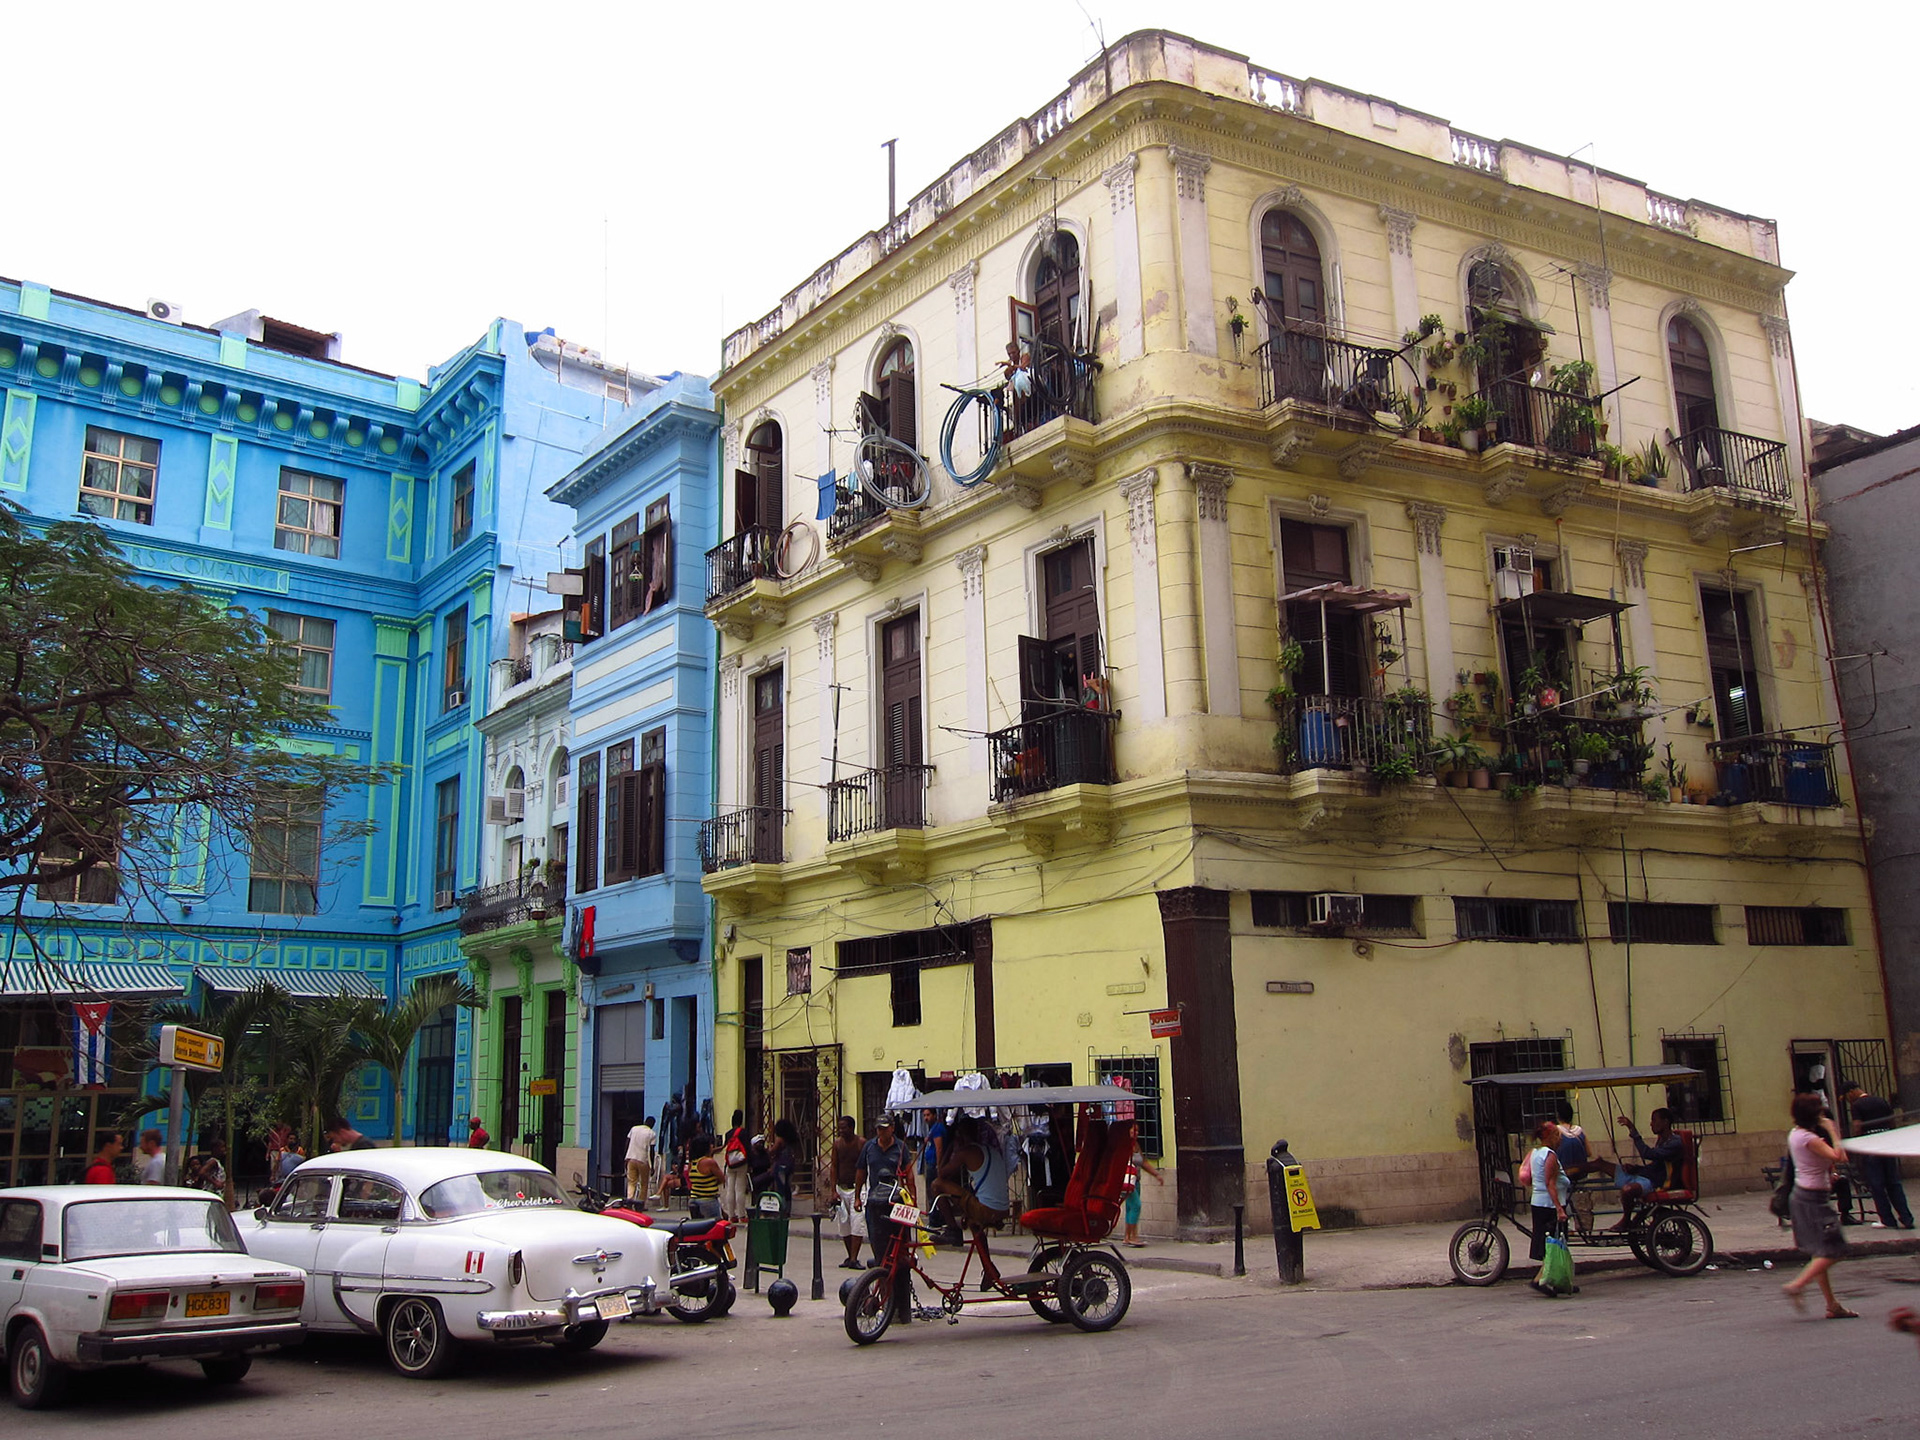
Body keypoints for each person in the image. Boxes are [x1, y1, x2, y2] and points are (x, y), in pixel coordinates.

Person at [1783, 1091, 1858, 1319]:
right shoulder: (1810, 1139)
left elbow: (1818, 1162)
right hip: (1813, 1200)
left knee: (1820, 1252)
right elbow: (1840, 1156)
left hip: (1804, 1196)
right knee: (1836, 1249)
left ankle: (1831, 1304)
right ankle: (1797, 1285)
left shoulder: (1796, 1134)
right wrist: (1833, 1130)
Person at [1842, 1080, 1914, 1230]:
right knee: (1894, 1183)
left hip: (1872, 1149)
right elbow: (1892, 1122)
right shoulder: (1881, 1101)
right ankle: (1906, 1218)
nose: (1848, 1101)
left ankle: (1887, 1219)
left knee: (1877, 1184)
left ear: (1851, 1092)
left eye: (1846, 1097)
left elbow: (1857, 1127)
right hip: (1886, 1145)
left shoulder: (1857, 1106)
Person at [855, 1115, 913, 1285]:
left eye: (885, 1128)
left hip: (897, 1201)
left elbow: (908, 1174)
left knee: (900, 1244)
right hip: (875, 1202)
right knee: (877, 1242)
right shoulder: (869, 1147)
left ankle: (899, 1279)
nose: (881, 1131)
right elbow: (861, 1172)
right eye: (879, 1128)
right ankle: (882, 1275)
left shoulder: (901, 1148)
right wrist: (857, 1197)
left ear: (892, 1128)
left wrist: (912, 1198)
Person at [1607, 1108, 1684, 1230]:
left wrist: (1633, 1131)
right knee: (1600, 1164)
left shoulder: (1674, 1143)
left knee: (1627, 1190)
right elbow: (1655, 1165)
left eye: (1654, 1120)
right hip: (1647, 1176)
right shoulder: (1662, 1140)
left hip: (1658, 1183)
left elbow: (1648, 1154)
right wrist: (1637, 1169)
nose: (1651, 1124)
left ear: (1665, 1122)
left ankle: (1626, 1220)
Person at [1524, 1117, 1570, 1293]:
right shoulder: (1549, 1155)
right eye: (1557, 1135)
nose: (1560, 1139)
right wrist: (1559, 1209)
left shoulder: (1535, 1153)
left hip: (1538, 1202)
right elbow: (1550, 1183)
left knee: (1552, 1243)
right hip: (1549, 1205)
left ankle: (1560, 1279)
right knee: (1554, 1243)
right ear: (1549, 1136)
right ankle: (1539, 1280)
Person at [830, 1116, 865, 1269]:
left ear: (852, 1127)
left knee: (857, 1223)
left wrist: (858, 1193)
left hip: (858, 1189)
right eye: (840, 1128)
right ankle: (850, 1255)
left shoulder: (861, 1143)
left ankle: (854, 1258)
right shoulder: (837, 1144)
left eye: (844, 1127)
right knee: (844, 1225)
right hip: (842, 1188)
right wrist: (833, 1191)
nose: (841, 1131)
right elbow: (834, 1167)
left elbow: (863, 1168)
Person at [1121, 1133, 1164, 1247]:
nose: (1136, 1133)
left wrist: (1156, 1174)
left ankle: (1129, 1236)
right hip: (1127, 1181)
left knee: (1130, 1207)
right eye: (1133, 1130)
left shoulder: (1136, 1145)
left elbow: (1143, 1162)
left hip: (1136, 1181)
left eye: (1137, 1131)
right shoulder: (1124, 1145)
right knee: (1136, 1205)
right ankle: (1131, 1237)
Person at [720, 1111, 751, 1222]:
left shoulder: (728, 1134)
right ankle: (741, 1215)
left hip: (730, 1164)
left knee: (730, 1190)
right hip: (741, 1163)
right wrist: (750, 1163)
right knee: (740, 1189)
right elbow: (748, 1149)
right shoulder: (744, 1132)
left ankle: (731, 1215)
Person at [684, 1136, 723, 1219]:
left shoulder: (692, 1163)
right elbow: (722, 1178)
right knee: (714, 1227)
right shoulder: (709, 1162)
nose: (712, 1146)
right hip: (708, 1200)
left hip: (694, 1198)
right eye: (710, 1145)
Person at [624, 1115, 657, 1203]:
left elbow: (627, 1143)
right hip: (643, 1160)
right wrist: (652, 1166)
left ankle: (629, 1200)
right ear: (653, 1124)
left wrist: (625, 1157)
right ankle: (640, 1203)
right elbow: (652, 1151)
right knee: (644, 1184)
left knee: (631, 1182)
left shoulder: (634, 1129)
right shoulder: (652, 1133)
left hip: (631, 1158)